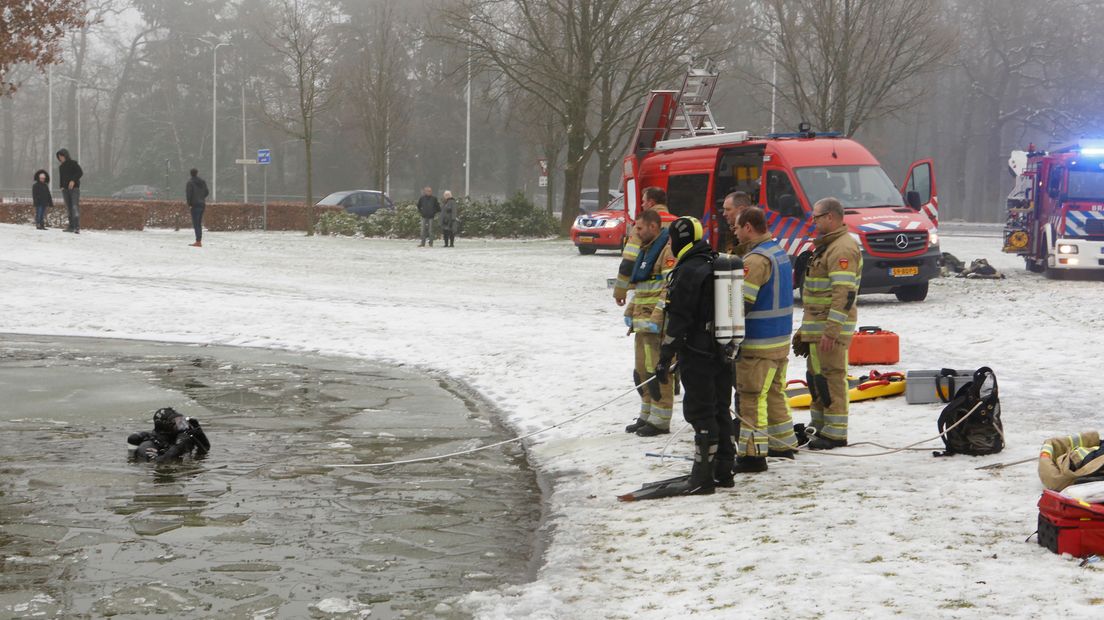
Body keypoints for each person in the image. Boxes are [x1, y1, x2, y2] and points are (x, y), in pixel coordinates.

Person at [653, 216, 736, 495]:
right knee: (721, 408)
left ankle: (702, 475)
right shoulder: (715, 262)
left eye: (671, 239)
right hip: (723, 350)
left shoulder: (689, 270)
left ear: (681, 238)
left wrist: (665, 355)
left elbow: (679, 318)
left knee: (701, 413)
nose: (670, 244)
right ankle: (723, 470)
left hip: (698, 352)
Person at [793, 197, 862, 449]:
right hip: (818, 329)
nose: (814, 222)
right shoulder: (828, 246)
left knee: (832, 378)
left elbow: (843, 295)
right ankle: (820, 426)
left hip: (829, 331)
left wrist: (831, 332)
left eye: (817, 217)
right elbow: (816, 296)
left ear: (830, 217)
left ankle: (835, 432)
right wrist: (806, 331)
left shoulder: (842, 249)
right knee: (816, 378)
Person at [732, 207, 797, 472]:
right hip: (779, 340)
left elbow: (740, 305)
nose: (734, 232)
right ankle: (782, 443)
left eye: (737, 227)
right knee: (774, 394)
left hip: (758, 343)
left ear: (748, 227)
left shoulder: (756, 261)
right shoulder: (778, 252)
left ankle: (752, 455)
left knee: (751, 397)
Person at [618, 209, 676, 436]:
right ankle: (647, 414)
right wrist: (630, 311)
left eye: (640, 228)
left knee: (657, 372)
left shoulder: (666, 251)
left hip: (655, 326)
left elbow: (669, 288)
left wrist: (656, 319)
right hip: (641, 324)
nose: (636, 232)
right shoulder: (646, 250)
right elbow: (641, 288)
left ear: (654, 227)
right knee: (641, 372)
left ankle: (661, 420)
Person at [127, 407, 211, 463]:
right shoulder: (147, 446)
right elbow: (158, 464)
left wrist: (199, 432)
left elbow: (204, 450)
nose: (181, 425)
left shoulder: (181, 437)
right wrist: (179, 447)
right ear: (165, 426)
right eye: (177, 422)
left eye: (181, 420)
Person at [56, 148, 82, 233]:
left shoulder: (73, 163)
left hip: (74, 189)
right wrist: (61, 186)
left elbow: (80, 172)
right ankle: (71, 226)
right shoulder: (61, 167)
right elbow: (61, 178)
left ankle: (77, 227)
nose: (60, 158)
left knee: (74, 206)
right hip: (65, 190)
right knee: (69, 208)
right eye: (59, 157)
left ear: (66, 155)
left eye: (62, 156)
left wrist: (73, 180)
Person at [185, 168, 210, 247]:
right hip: (202, 204)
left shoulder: (190, 183)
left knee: (196, 224)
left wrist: (189, 204)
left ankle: (198, 241)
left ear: (191, 173)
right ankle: (199, 240)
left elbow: (189, 195)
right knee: (199, 223)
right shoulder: (202, 182)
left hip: (195, 205)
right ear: (197, 173)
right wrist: (201, 197)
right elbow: (207, 192)